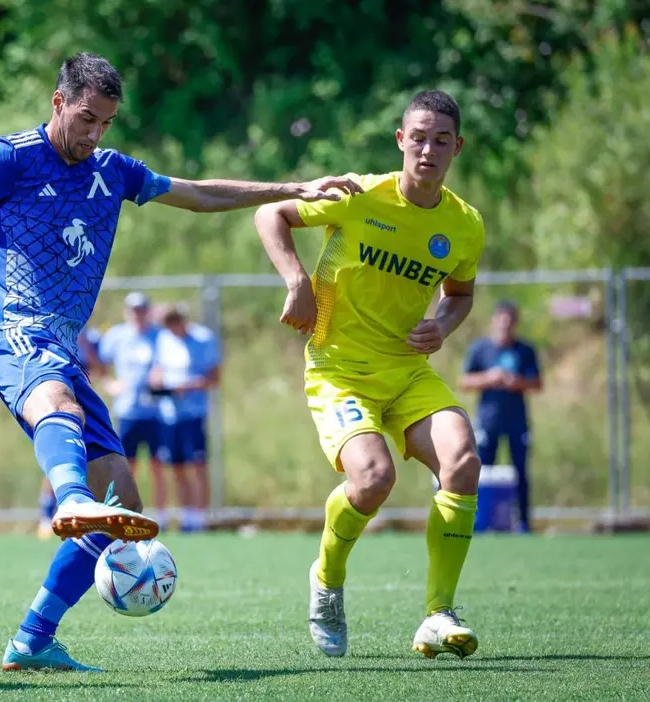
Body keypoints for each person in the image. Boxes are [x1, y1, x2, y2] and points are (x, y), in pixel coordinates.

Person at [0, 51, 358, 672]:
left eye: (106, 122)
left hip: (63, 348)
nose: (95, 134)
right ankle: (71, 497)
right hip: (14, 332)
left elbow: (196, 194)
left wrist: (294, 188)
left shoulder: (113, 170)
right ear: (58, 103)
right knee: (60, 406)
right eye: (86, 119)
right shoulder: (9, 158)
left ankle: (33, 638)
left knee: (124, 506)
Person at [254, 89, 486, 660]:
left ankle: (438, 614)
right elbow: (270, 213)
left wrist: (443, 324)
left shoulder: (464, 224)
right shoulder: (359, 195)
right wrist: (296, 281)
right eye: (418, 138)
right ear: (400, 140)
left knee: (462, 461)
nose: (428, 150)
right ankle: (326, 579)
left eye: (440, 141)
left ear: (457, 147)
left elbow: (460, 293)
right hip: (339, 368)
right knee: (374, 478)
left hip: (406, 370)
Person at [458, 300, 542, 532]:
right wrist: (489, 378)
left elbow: (537, 383)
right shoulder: (481, 349)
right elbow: (464, 381)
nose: (505, 324)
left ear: (515, 323)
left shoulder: (524, 350)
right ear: (494, 320)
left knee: (520, 473)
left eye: (510, 320)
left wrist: (517, 382)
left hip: (517, 422)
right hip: (488, 421)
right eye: (502, 319)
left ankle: (523, 523)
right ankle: (481, 521)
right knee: (483, 472)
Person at [98, 292, 168, 525]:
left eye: (141, 310)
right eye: (133, 310)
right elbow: (100, 364)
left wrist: (162, 376)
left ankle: (161, 517)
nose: (137, 314)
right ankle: (128, 513)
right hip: (127, 411)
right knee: (127, 466)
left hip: (156, 411)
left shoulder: (160, 335)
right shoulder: (117, 336)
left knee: (159, 465)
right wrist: (110, 383)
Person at [151, 302, 221, 532]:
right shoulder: (164, 339)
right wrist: (157, 382)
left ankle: (200, 518)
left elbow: (214, 377)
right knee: (177, 466)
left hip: (193, 413)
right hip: (169, 414)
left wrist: (188, 387)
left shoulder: (203, 338)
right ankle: (186, 516)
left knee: (197, 464)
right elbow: (158, 370)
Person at [38, 326, 103, 539]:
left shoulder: (93, 338)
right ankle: (47, 515)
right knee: (61, 459)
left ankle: (85, 515)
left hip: (86, 405)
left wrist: (86, 346)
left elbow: (99, 370)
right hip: (60, 401)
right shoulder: (52, 328)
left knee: (90, 460)